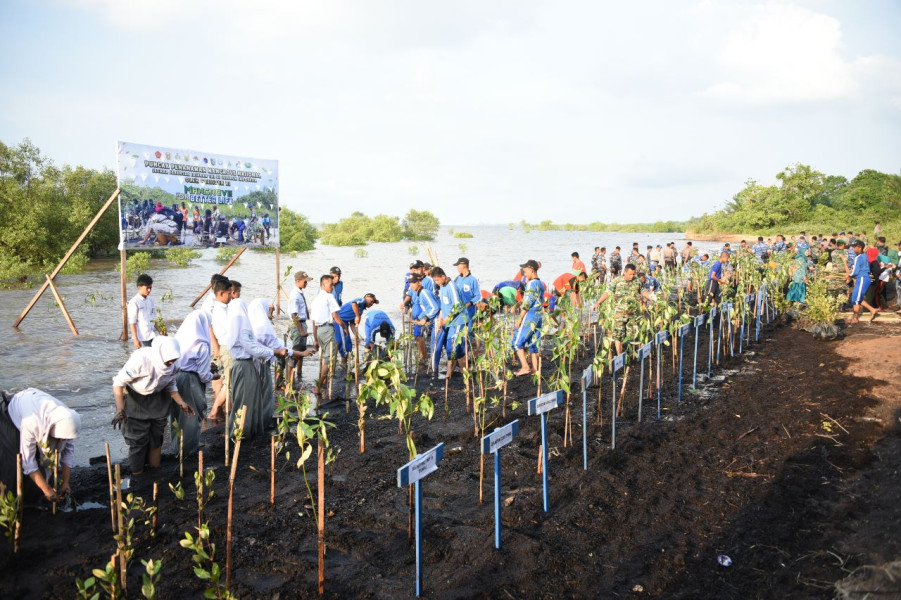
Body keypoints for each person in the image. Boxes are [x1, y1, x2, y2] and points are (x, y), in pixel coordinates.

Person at [112, 337, 194, 475]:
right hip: (136, 399)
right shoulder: (141, 360)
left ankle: (154, 471)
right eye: (169, 360)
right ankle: (137, 474)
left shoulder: (174, 365)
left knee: (157, 437)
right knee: (137, 441)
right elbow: (118, 383)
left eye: (174, 359)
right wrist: (120, 409)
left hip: (159, 399)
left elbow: (170, 383)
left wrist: (181, 402)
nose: (171, 362)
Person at [0, 389, 80, 503]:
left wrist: (66, 482)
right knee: (13, 463)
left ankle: (35, 496)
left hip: (34, 406)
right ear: (51, 429)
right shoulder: (32, 423)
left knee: (41, 463)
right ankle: (13, 504)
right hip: (12, 417)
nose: (63, 440)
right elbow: (28, 461)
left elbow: (67, 453)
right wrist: (46, 489)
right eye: (60, 438)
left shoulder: (69, 421)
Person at [225, 299, 287, 438]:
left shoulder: (236, 328)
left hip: (245, 364)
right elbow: (253, 347)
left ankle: (245, 432)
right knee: (245, 402)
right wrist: (274, 352)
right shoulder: (242, 330)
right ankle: (241, 434)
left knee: (249, 400)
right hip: (245, 365)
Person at [248, 299, 309, 427]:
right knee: (264, 393)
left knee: (252, 393)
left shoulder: (248, 325)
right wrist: (302, 353)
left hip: (248, 365)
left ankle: (251, 420)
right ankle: (262, 422)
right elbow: (281, 350)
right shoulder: (264, 327)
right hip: (261, 364)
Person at [170, 309, 213, 455]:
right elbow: (203, 375)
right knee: (191, 415)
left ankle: (176, 448)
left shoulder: (179, 340)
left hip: (176, 378)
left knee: (178, 415)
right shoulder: (201, 344)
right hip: (190, 381)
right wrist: (213, 376)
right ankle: (188, 450)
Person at [592, 264, 650, 356]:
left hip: (633, 314)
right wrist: (598, 303)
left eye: (634, 274)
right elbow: (607, 292)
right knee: (618, 335)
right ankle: (620, 356)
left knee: (633, 335)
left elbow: (643, 291)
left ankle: (631, 354)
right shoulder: (617, 281)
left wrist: (651, 296)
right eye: (630, 274)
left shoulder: (637, 281)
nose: (632, 276)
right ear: (625, 272)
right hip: (619, 313)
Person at [310, 274, 345, 399]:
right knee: (330, 358)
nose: (332, 287)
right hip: (328, 329)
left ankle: (323, 382)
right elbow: (336, 317)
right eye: (330, 285)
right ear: (323, 285)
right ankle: (318, 386)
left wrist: (315, 338)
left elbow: (313, 322)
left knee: (325, 357)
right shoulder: (329, 297)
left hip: (319, 330)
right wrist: (345, 328)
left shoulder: (315, 301)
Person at [431, 266, 468, 380]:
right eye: (435, 281)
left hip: (459, 320)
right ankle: (463, 370)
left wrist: (446, 321)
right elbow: (443, 307)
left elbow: (456, 306)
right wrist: (440, 322)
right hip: (449, 322)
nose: (436, 283)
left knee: (451, 345)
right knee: (457, 347)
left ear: (443, 276)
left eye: (437, 280)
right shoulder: (442, 287)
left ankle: (449, 373)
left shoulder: (451, 286)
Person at [207, 278, 235, 421]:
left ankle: (219, 409)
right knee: (229, 382)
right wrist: (217, 347)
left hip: (225, 347)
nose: (232, 296)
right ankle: (214, 410)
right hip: (225, 348)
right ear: (221, 293)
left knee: (225, 379)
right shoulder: (218, 310)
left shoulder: (224, 308)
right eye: (229, 293)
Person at [512, 260, 545, 376]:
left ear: (532, 270)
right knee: (533, 343)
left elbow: (526, 303)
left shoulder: (531, 284)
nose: (524, 274)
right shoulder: (540, 283)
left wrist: (520, 319)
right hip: (538, 315)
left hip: (530, 314)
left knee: (516, 343)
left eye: (525, 271)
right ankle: (535, 370)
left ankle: (525, 367)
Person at [286, 271, 314, 388]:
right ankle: (289, 381)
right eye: (305, 281)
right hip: (298, 325)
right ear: (298, 281)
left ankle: (298, 375)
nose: (306, 283)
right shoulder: (295, 295)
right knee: (296, 352)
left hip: (302, 323)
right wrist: (301, 330)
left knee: (302, 350)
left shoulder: (300, 293)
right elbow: (294, 315)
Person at [335, 293, 380, 365]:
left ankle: (344, 365)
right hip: (340, 321)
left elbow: (352, 323)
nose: (372, 303)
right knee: (344, 345)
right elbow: (354, 304)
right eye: (372, 301)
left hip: (346, 324)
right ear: (367, 297)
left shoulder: (361, 310)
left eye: (373, 303)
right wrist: (357, 316)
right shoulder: (361, 300)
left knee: (348, 344)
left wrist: (356, 335)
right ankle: (343, 366)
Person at [848, 240, 879, 323]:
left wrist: (849, 275)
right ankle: (872, 310)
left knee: (856, 299)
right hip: (864, 278)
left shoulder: (858, 257)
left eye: (854, 247)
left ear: (859, 248)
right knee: (857, 297)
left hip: (862, 278)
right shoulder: (864, 255)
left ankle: (855, 318)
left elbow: (855, 272)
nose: (853, 249)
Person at [128, 273, 157, 350]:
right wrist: (135, 339)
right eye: (147, 288)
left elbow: (154, 318)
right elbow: (132, 322)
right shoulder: (134, 302)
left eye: (150, 288)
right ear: (139, 287)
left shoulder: (150, 300)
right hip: (142, 338)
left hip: (152, 335)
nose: (149, 290)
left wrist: (161, 331)